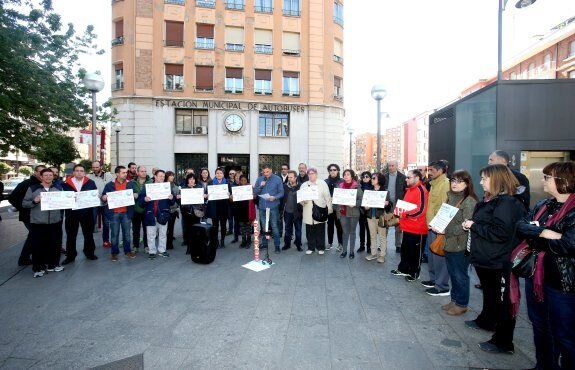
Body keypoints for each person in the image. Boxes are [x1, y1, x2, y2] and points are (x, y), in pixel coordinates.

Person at [515, 161, 575, 369]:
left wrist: (540, 234)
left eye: (547, 177)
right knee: (540, 327)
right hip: (537, 277)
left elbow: (569, 244)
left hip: (563, 284)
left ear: (564, 180)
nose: (543, 181)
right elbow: (521, 226)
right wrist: (544, 233)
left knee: (565, 335)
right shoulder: (544, 204)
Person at [462, 164, 526, 355]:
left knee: (503, 301)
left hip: (499, 260)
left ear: (496, 180)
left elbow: (501, 232)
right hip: (487, 257)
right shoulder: (492, 200)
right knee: (490, 295)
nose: (481, 182)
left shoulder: (507, 203)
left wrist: (474, 225)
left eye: (484, 178)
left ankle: (503, 341)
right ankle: (486, 320)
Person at [436, 170, 478, 316]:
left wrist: (446, 230)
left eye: (459, 181)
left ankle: (461, 303)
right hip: (449, 243)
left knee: (461, 275)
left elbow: (467, 225)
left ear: (467, 184)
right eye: (453, 180)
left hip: (461, 244)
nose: (455, 184)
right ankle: (454, 300)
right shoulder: (450, 198)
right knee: (453, 273)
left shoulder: (469, 201)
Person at [22, 169, 64, 277]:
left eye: (51, 175)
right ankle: (38, 268)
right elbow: (25, 204)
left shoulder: (58, 188)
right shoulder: (33, 188)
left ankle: (53, 265)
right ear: (41, 177)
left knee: (55, 245)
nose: (49, 177)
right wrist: (34, 201)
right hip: (39, 223)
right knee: (38, 246)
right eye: (46, 175)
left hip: (55, 222)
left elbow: (64, 202)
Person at [391, 169, 429, 281]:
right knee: (406, 250)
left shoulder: (421, 190)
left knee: (415, 253)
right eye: (406, 177)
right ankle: (403, 269)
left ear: (417, 178)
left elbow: (421, 210)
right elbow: (407, 205)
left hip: (418, 228)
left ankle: (414, 273)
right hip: (407, 226)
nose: (406, 179)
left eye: (409, 177)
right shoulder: (409, 190)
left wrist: (404, 213)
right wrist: (399, 211)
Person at [422, 160, 451, 296]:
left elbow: (444, 207)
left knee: (439, 256)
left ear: (440, 171)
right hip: (431, 226)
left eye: (432, 170)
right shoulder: (434, 184)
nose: (430, 172)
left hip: (438, 227)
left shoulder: (445, 184)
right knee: (433, 255)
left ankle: (442, 286)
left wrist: (437, 224)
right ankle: (434, 280)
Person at [61, 164, 99, 265]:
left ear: (84, 172)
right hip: (71, 214)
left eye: (81, 171)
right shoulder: (65, 184)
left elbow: (94, 196)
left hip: (86, 213)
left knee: (88, 235)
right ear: (73, 172)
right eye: (77, 171)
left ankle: (89, 252)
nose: (79, 172)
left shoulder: (90, 183)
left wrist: (96, 196)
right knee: (71, 236)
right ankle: (70, 256)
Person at [9, 164, 46, 266]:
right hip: (29, 216)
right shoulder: (26, 184)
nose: (43, 174)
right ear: (35, 172)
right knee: (34, 236)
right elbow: (12, 198)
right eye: (40, 172)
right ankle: (25, 258)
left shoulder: (44, 184)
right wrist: (25, 208)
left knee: (34, 236)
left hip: (40, 217)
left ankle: (26, 258)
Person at [102, 166, 137, 262]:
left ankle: (128, 251)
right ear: (117, 174)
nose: (126, 174)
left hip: (126, 212)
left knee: (127, 234)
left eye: (126, 172)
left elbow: (136, 194)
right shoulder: (109, 185)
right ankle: (114, 253)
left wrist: (135, 195)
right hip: (114, 213)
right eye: (123, 173)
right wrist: (104, 197)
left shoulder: (130, 184)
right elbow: (103, 196)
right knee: (114, 234)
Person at [138, 169, 176, 259]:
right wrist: (144, 199)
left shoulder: (167, 187)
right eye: (160, 176)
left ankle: (162, 250)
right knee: (151, 234)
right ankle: (152, 251)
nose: (162, 178)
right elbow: (140, 202)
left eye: (163, 176)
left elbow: (172, 202)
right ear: (155, 176)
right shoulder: (148, 187)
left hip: (163, 214)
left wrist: (171, 198)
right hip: (151, 214)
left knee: (163, 234)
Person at [300, 167, 332, 255]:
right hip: (308, 211)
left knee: (320, 229)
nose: (311, 175)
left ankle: (321, 247)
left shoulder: (322, 183)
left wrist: (329, 209)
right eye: (309, 174)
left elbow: (327, 197)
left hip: (320, 210)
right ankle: (311, 247)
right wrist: (303, 201)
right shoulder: (304, 185)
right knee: (309, 230)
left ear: (316, 174)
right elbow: (300, 199)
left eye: (312, 173)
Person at [253, 164, 284, 253]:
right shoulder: (260, 179)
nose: (265, 174)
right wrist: (260, 186)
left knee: (274, 226)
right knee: (264, 227)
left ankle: (277, 246)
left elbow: (281, 192)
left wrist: (274, 197)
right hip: (262, 206)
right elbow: (255, 191)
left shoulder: (277, 179)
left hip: (273, 206)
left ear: (271, 170)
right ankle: (264, 244)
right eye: (264, 172)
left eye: (267, 172)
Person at [335, 169, 364, 259]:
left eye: (348, 174)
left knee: (352, 232)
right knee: (345, 232)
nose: (346, 176)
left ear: (352, 176)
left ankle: (351, 252)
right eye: (345, 175)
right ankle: (344, 251)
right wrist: (335, 204)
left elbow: (361, 200)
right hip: (343, 213)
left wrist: (354, 203)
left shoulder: (357, 187)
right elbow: (335, 200)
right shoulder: (339, 187)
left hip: (353, 213)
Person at [86, 161, 114, 248]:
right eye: (93, 167)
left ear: (100, 167)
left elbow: (113, 186)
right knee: (91, 223)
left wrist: (107, 195)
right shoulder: (88, 176)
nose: (95, 169)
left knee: (106, 223)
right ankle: (90, 242)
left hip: (106, 203)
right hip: (94, 203)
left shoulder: (109, 176)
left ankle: (106, 240)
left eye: (97, 167)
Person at [364, 172, 391, 263]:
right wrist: (365, 207)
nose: (372, 179)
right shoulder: (368, 191)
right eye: (372, 178)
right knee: (372, 235)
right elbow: (365, 205)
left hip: (381, 217)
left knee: (382, 236)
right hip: (370, 216)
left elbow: (389, 206)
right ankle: (373, 253)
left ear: (379, 180)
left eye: (374, 178)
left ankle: (382, 255)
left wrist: (387, 204)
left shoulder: (385, 192)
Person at [385, 160, 407, 253]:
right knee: (385, 224)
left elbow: (406, 190)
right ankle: (383, 244)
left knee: (398, 226)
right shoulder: (384, 177)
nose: (390, 167)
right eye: (389, 165)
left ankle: (398, 245)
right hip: (387, 204)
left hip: (399, 204)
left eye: (392, 165)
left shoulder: (403, 177)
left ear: (397, 166)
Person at [179, 173, 203, 252]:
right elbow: (180, 202)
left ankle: (195, 246)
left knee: (196, 229)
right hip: (187, 212)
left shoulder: (199, 188)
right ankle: (189, 246)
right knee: (188, 230)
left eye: (193, 179)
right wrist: (179, 197)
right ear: (187, 180)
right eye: (190, 179)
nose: (191, 180)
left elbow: (203, 200)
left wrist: (205, 196)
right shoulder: (183, 188)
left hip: (196, 212)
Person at [131, 166, 152, 253]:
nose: (144, 172)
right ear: (138, 172)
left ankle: (146, 246)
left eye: (145, 171)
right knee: (135, 229)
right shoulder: (132, 182)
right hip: (135, 209)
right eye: (142, 171)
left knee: (146, 229)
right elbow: (128, 194)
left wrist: (138, 194)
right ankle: (135, 246)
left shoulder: (151, 182)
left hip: (147, 209)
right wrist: (132, 195)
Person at [232, 175, 256, 248]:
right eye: (241, 180)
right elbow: (233, 200)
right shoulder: (237, 188)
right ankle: (243, 240)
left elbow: (255, 200)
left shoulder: (250, 188)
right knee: (241, 226)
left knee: (248, 226)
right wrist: (232, 197)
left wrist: (254, 196)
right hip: (240, 210)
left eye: (244, 180)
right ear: (239, 181)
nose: (243, 182)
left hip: (248, 210)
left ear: (247, 181)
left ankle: (248, 240)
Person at [281, 170, 303, 251]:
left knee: (298, 230)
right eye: (288, 177)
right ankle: (287, 244)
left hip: (298, 212)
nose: (289, 179)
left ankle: (298, 245)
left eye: (291, 177)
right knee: (287, 229)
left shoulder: (301, 186)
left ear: (295, 177)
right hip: (287, 212)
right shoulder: (284, 186)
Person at [325, 164, 343, 251]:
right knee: (330, 225)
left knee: (339, 225)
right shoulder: (325, 181)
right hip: (329, 207)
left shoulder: (342, 181)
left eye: (334, 170)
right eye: (331, 170)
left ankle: (340, 243)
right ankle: (330, 242)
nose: (332, 171)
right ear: (329, 171)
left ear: (338, 171)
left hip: (339, 208)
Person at [358, 171, 372, 253]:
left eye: (367, 176)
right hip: (361, 211)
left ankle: (369, 246)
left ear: (370, 177)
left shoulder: (373, 186)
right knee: (362, 229)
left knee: (369, 229)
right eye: (363, 177)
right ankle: (362, 245)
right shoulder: (359, 187)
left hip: (370, 211)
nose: (365, 178)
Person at [164, 171, 180, 250]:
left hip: (173, 210)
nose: (172, 177)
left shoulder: (176, 186)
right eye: (170, 176)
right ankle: (164, 243)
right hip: (164, 209)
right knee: (164, 228)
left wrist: (178, 197)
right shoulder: (162, 186)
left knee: (171, 227)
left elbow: (178, 198)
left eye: (173, 175)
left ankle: (169, 243)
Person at [227, 169, 239, 243]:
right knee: (234, 221)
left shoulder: (243, 185)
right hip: (232, 205)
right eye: (236, 177)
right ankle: (235, 237)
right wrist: (230, 196)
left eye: (239, 177)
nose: (237, 178)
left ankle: (245, 237)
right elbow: (228, 195)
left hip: (240, 206)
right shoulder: (230, 185)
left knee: (239, 222)